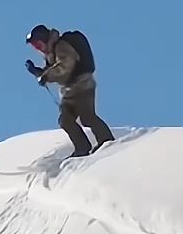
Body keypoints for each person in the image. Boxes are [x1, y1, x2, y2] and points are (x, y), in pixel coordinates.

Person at [25, 24, 115, 157]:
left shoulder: (61, 46)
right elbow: (55, 70)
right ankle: (82, 147)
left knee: (87, 116)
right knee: (65, 120)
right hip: (69, 92)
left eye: (38, 45)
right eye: (35, 47)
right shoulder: (51, 54)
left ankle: (106, 140)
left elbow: (65, 67)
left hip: (83, 86)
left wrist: (46, 76)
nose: (38, 49)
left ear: (44, 39)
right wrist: (39, 72)